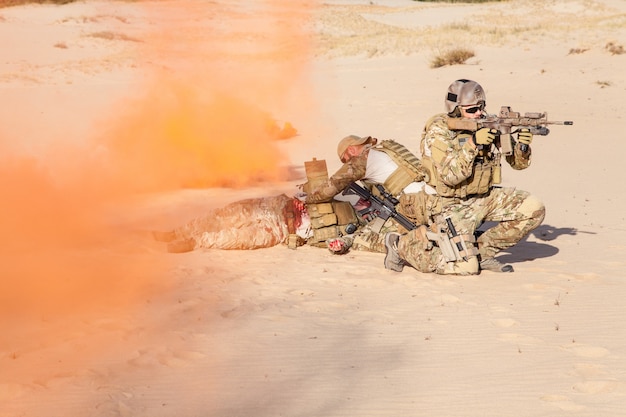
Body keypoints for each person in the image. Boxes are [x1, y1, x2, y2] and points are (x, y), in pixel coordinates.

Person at [395, 79, 546, 273]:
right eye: (472, 109)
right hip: (448, 204)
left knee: (534, 208)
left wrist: (522, 147)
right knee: (466, 268)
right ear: (456, 110)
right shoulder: (439, 129)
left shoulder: (486, 122)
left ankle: (482, 252)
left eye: (481, 107)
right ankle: (401, 245)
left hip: (481, 198)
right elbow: (450, 176)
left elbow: (518, 165)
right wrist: (473, 144)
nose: (479, 113)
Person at [305, 135, 478, 275]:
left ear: (351, 150)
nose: (346, 164)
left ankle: (384, 243)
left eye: (345, 160)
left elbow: (330, 188)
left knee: (368, 236)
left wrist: (306, 199)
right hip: (433, 197)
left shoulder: (361, 160)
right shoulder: (386, 149)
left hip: (415, 206)